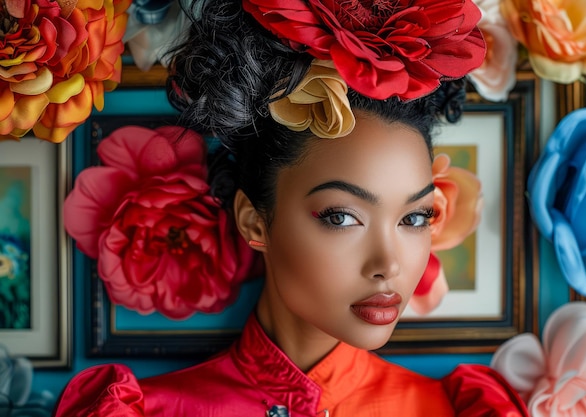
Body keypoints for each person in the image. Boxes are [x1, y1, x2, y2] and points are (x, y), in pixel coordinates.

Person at [53, 0, 529, 415]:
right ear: (253, 220)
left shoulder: (455, 411)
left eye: (414, 218)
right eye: (342, 216)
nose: (389, 265)